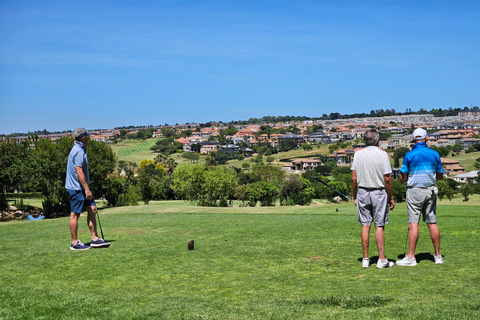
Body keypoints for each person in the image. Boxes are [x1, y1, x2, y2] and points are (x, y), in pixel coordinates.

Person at [396, 128, 443, 266]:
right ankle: (437, 255)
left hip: (415, 191)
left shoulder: (409, 155)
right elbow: (439, 176)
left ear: (412, 139)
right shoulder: (435, 154)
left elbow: (402, 177)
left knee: (413, 223)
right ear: (426, 138)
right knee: (432, 222)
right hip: (430, 191)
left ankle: (411, 258)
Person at [351, 129, 395, 269]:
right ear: (377, 140)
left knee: (365, 225)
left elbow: (354, 179)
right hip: (379, 192)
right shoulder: (382, 154)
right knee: (379, 225)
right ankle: (381, 260)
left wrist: (354, 195)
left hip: (362, 191)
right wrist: (391, 197)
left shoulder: (358, 154)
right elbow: (387, 178)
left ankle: (365, 259)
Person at [66, 127, 110, 250]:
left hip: (82, 187)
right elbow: (79, 171)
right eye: (87, 135)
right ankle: (74, 243)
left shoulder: (79, 149)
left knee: (92, 209)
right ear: (83, 137)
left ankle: (95, 239)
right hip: (76, 188)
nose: (89, 137)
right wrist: (87, 189)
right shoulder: (78, 151)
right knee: (75, 214)